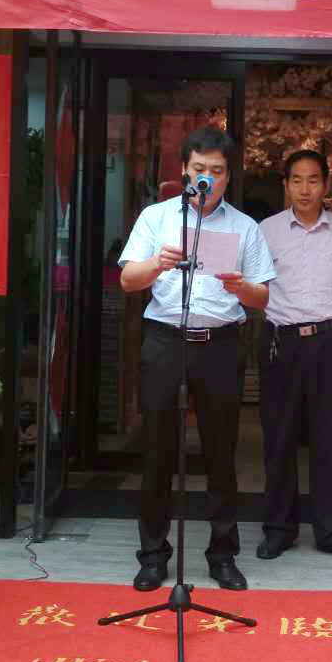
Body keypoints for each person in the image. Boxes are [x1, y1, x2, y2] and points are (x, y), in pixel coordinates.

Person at [118, 126, 275, 592]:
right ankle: (153, 555)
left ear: (229, 176)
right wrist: (159, 263)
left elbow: (263, 297)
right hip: (166, 339)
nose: (208, 178)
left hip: (221, 344)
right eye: (200, 169)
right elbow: (128, 280)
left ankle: (223, 555)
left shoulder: (244, 227)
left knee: (221, 453)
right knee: (158, 451)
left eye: (218, 171)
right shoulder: (156, 218)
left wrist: (240, 287)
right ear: (185, 170)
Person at [257, 150, 332, 564]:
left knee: (329, 437)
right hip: (280, 341)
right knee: (279, 437)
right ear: (285, 185)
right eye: (297, 180)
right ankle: (278, 530)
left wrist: (327, 322)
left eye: (314, 180)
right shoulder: (265, 231)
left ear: (326, 185)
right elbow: (253, 287)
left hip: (328, 343)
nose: (305, 189)